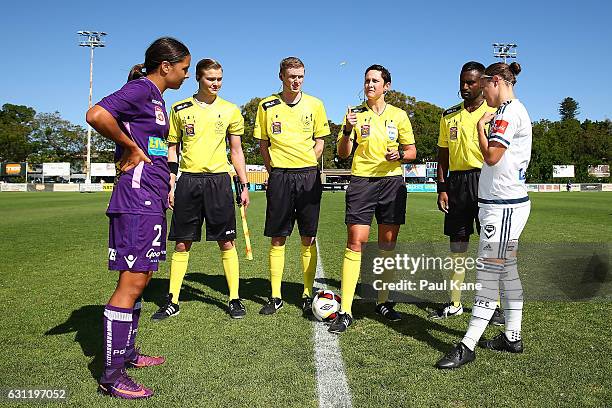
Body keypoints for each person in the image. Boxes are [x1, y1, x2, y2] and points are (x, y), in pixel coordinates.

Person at [86, 37, 191, 398]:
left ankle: (127, 354)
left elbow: (156, 148)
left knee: (143, 278)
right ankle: (111, 375)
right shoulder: (140, 89)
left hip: (152, 197)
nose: (186, 75)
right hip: (135, 198)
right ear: (165, 65)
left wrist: (167, 182)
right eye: (183, 68)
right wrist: (130, 147)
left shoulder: (157, 98)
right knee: (131, 283)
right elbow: (96, 114)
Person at [436, 62, 532, 369]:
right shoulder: (517, 109)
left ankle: (467, 345)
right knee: (508, 271)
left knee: (489, 275)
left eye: (484, 86)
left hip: (502, 206)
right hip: (509, 202)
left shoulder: (506, 113)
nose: (481, 93)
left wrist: (480, 127)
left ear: (494, 82)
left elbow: (490, 156)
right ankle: (512, 337)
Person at [150, 58, 249, 321]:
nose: (215, 83)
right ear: (198, 78)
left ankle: (234, 298)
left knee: (226, 241)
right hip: (188, 181)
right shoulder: (179, 108)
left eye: (219, 79)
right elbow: (172, 148)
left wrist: (244, 184)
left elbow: (236, 150)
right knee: (182, 244)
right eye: (210, 79)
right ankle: (173, 300)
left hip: (219, 181)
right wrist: (171, 181)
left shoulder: (230, 110)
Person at [329, 64, 416, 334]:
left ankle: (383, 302)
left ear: (386, 86)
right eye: (366, 80)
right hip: (362, 182)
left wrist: (399, 156)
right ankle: (345, 311)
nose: (369, 85)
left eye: (375, 81)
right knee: (356, 241)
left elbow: (412, 152)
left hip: (391, 182)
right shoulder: (354, 115)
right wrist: (345, 130)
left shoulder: (399, 115)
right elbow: (343, 154)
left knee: (387, 244)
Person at [253, 57, 330, 315]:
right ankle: (275, 296)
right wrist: (272, 169)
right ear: (281, 77)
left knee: (308, 236)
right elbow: (263, 144)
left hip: (308, 175)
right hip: (280, 177)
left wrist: (310, 161)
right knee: (278, 237)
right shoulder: (266, 105)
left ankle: (307, 293)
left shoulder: (315, 104)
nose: (296, 81)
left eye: (300, 76)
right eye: (291, 76)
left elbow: (320, 140)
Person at [430, 61, 504, 326]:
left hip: (487, 181)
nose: (464, 87)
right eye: (462, 81)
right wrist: (442, 188)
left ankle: (493, 305)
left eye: (470, 82)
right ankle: (455, 303)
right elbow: (442, 155)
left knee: (489, 245)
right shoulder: (449, 115)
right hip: (458, 184)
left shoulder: (496, 112)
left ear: (483, 83)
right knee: (457, 245)